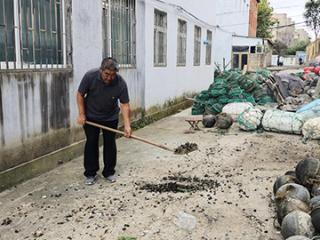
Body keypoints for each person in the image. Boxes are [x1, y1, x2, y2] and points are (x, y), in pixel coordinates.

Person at [76, 57, 132, 185]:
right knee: (91, 142)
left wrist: (127, 126)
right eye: (107, 74)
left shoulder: (120, 83)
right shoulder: (90, 76)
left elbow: (124, 105)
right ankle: (90, 173)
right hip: (91, 116)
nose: (109, 78)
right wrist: (81, 114)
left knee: (110, 143)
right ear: (101, 70)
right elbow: (80, 95)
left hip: (110, 117)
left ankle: (109, 172)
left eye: (113, 75)